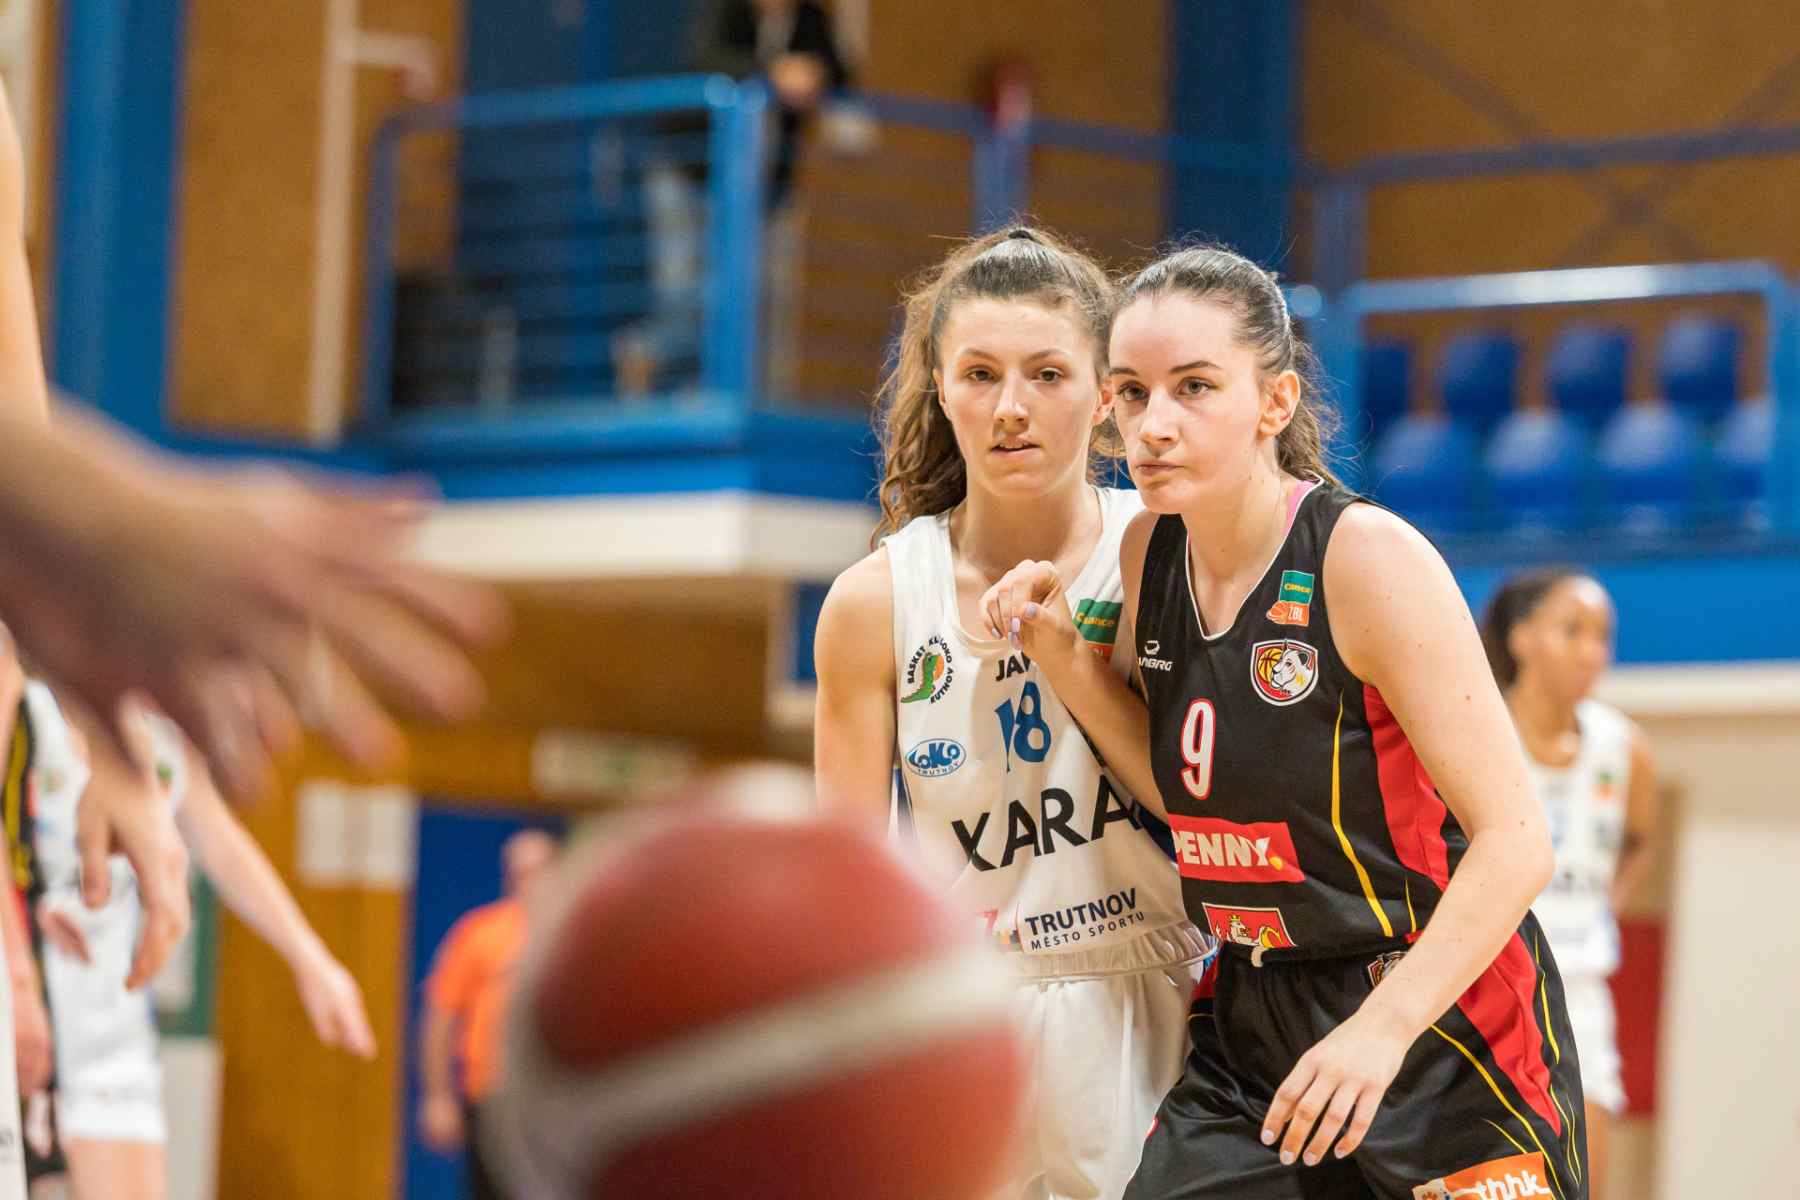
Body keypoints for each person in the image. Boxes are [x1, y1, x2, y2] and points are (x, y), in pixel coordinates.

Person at [989, 245, 1585, 1199]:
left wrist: (1384, 1029)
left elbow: (1518, 842)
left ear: (1275, 402)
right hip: (1254, 1011)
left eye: (1194, 388)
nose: (1154, 424)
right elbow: (1184, 799)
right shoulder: (1149, 552)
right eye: (1132, 393)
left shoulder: (1367, 556)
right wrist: (1062, 654)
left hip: (1432, 1009)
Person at [813, 227, 1209, 1200]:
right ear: (942, 389)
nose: (1012, 408)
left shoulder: (1168, 551)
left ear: (1107, 392)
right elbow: (846, 883)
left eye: (1048, 373)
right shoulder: (873, 601)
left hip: (1163, 993)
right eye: (981, 374)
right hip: (964, 1019)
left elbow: (1211, 805)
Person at [9, 682, 377, 1200]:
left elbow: (219, 840)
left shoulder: (165, 712)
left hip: (111, 1017)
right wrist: (19, 965)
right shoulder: (28, 676)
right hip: (27, 995)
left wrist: (311, 960)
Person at [1482, 568, 1656, 1199]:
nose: (1592, 652)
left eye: (1602, 636)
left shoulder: (1624, 745)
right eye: (1572, 630)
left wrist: (1604, 906)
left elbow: (1640, 840)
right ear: (1521, 636)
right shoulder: (1479, 731)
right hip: (1487, 983)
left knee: (1584, 1178)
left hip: (1580, 989)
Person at [613, 0, 850, 397]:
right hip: (687, 169)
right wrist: (774, 73)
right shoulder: (724, 9)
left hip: (756, 188)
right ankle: (644, 355)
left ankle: (702, 388)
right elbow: (707, 57)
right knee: (682, 291)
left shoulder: (811, 21)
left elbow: (841, 73)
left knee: (741, 297)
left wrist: (817, 74)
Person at [419, 830, 558, 1200]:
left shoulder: (571, 931)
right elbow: (441, 1016)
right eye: (521, 872)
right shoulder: (479, 934)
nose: (531, 882)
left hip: (552, 1095)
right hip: (489, 1094)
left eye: (540, 870)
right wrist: (438, 1096)